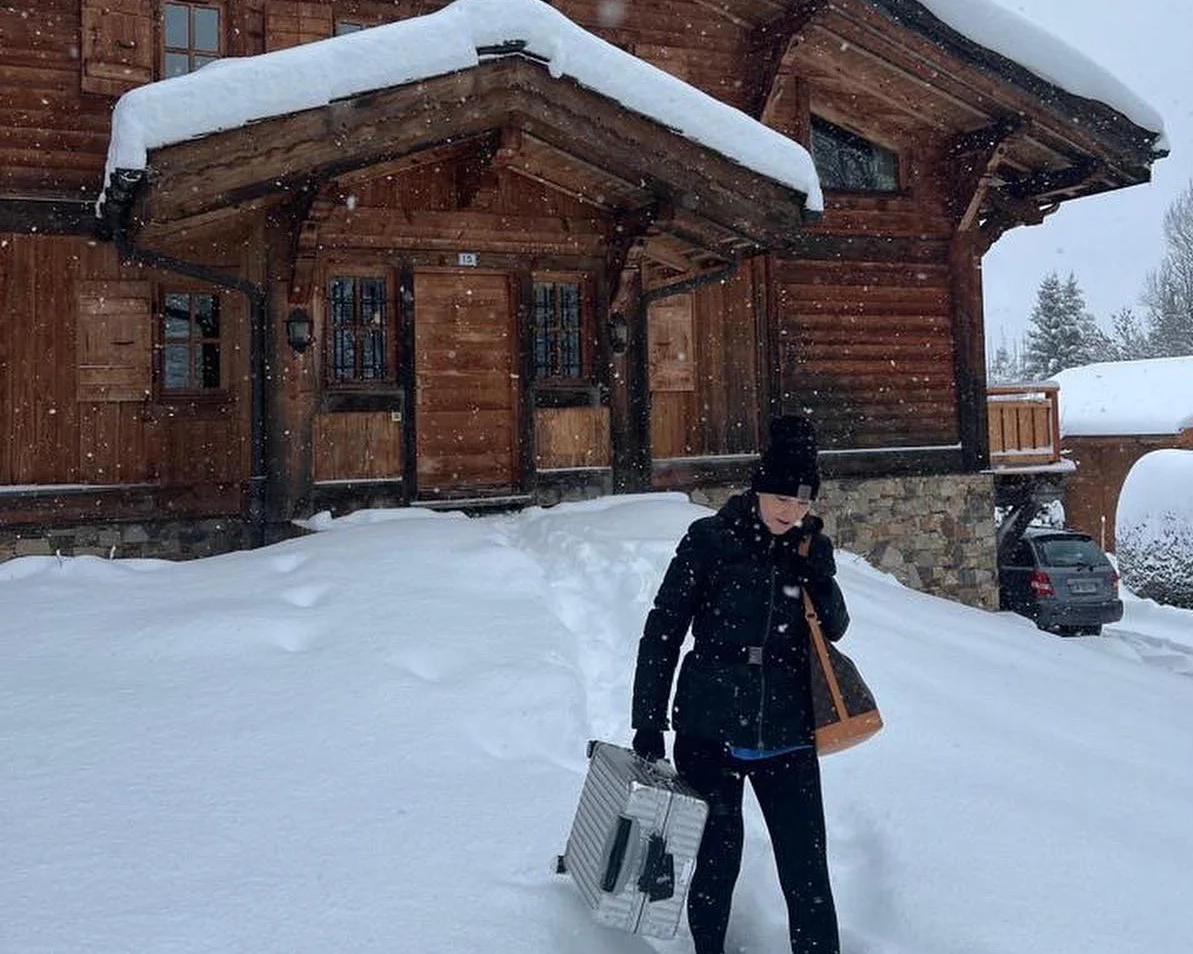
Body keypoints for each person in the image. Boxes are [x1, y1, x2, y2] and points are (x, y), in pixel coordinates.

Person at [630, 414, 849, 954]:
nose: (789, 513)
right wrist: (648, 720)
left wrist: (820, 573)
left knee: (806, 867)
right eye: (781, 499)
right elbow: (663, 630)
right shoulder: (710, 541)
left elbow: (836, 629)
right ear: (758, 488)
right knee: (716, 858)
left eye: (801, 505)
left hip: (788, 731)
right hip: (711, 728)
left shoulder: (805, 549)